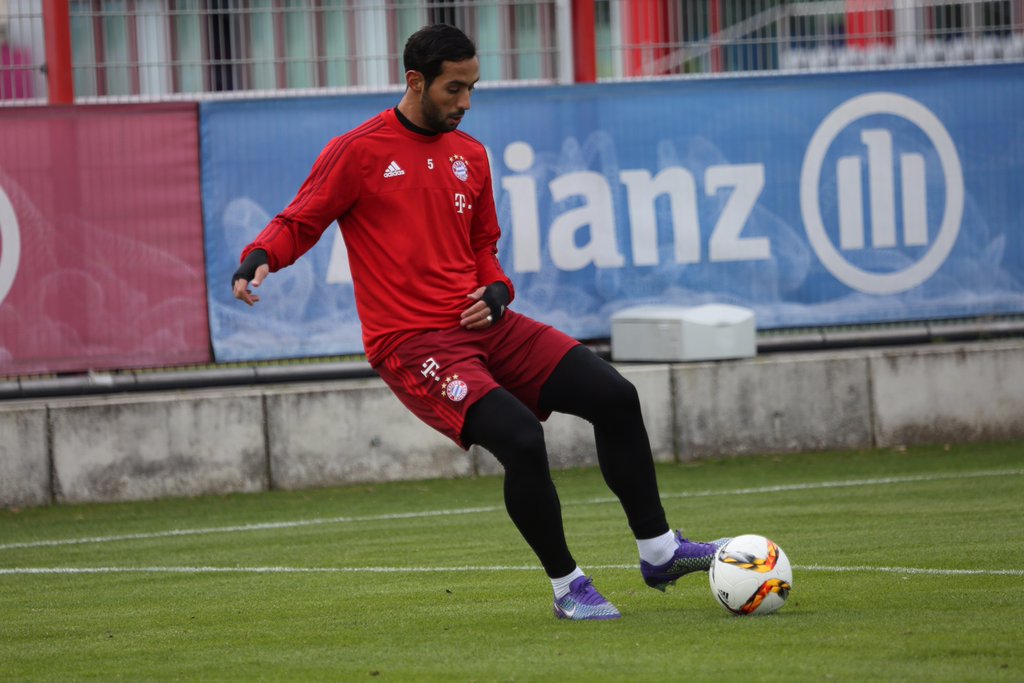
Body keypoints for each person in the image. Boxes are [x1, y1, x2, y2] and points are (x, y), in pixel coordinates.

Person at [232, 23, 727, 621]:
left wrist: (496, 289)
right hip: (413, 342)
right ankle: (568, 587)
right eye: (454, 89)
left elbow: (483, 245)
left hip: (487, 325)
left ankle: (660, 551)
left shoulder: (470, 155)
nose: (466, 102)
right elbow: (299, 220)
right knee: (521, 438)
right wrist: (259, 257)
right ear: (416, 81)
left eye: (472, 88)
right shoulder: (358, 150)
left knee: (615, 396)